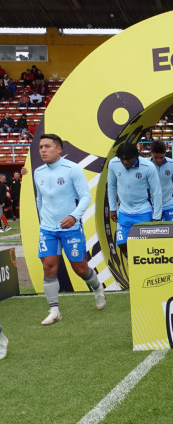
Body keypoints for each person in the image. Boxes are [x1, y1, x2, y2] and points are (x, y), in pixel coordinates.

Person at [33, 134, 106, 325]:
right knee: (48, 267)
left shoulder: (73, 169)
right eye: (41, 147)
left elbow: (85, 197)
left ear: (59, 149)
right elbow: (40, 199)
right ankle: (54, 311)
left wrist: (74, 216)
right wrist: (43, 222)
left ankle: (98, 288)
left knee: (80, 268)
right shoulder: (38, 172)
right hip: (48, 229)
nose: (43, 150)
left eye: (47, 146)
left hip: (71, 228)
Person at [107, 142, 162, 259]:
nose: (125, 162)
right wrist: (112, 208)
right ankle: (133, 263)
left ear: (135, 156)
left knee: (144, 247)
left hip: (143, 211)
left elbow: (156, 192)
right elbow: (111, 186)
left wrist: (157, 216)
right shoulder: (113, 164)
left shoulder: (148, 167)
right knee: (122, 244)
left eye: (128, 159)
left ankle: (141, 265)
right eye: (122, 159)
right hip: (124, 212)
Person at [148, 140, 173, 221]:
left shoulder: (172, 164)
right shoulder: (146, 165)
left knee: (172, 229)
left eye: (161, 157)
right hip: (151, 206)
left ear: (165, 152)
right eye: (155, 157)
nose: (158, 160)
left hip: (169, 205)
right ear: (151, 153)